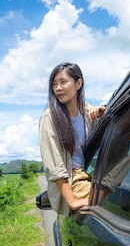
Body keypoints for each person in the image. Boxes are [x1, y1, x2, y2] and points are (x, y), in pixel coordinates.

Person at [39, 62, 106, 215]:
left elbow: (114, 128)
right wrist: (72, 201)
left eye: (63, 82)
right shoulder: (49, 117)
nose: (58, 88)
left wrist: (103, 111)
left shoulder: (86, 111)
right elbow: (54, 165)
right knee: (117, 202)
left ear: (78, 83)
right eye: (54, 84)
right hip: (72, 179)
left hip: (89, 173)